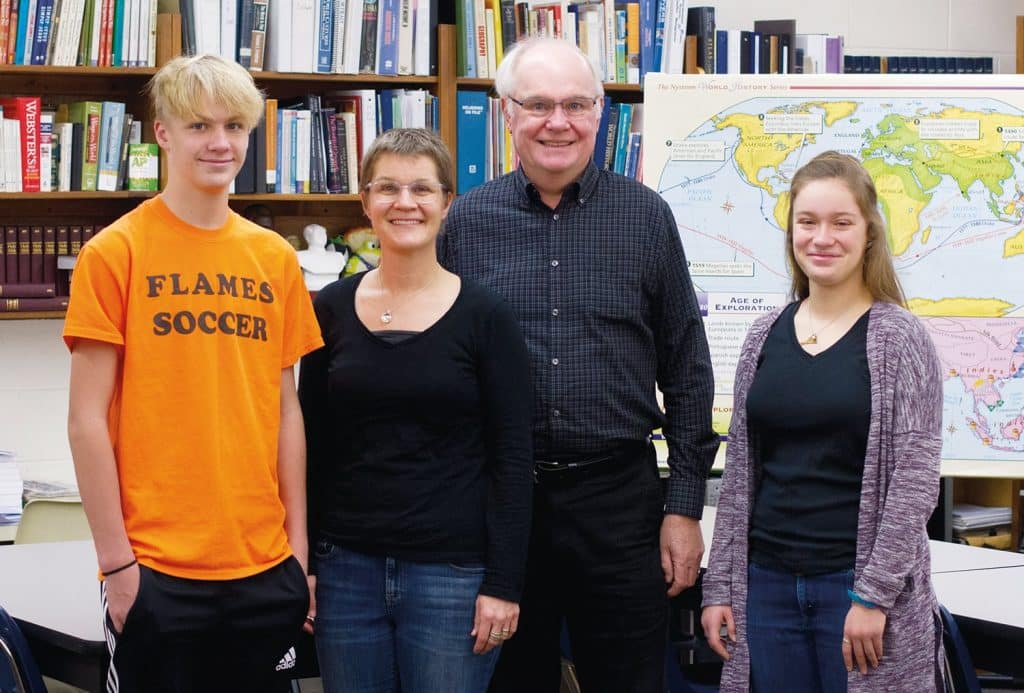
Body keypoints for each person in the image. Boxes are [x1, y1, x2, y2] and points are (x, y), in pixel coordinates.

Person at [439, 38, 719, 693]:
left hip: (620, 503)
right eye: (537, 104)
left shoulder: (646, 217)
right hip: (504, 508)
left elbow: (687, 370)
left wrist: (682, 508)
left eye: (575, 104)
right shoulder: (467, 224)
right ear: (507, 113)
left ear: (601, 113)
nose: (556, 121)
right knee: (512, 682)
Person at [64, 53, 323, 692]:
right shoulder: (114, 253)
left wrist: (299, 553)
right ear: (163, 133)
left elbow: (285, 410)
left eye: (234, 126)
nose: (219, 142)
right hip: (155, 569)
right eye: (199, 126)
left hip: (263, 568)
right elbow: (85, 422)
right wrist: (116, 565)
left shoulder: (274, 258)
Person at [298, 128, 533, 693]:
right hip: (344, 570)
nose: (405, 203)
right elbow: (307, 445)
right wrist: (302, 563)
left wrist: (504, 584)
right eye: (388, 188)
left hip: (452, 576)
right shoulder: (326, 310)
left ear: (447, 202)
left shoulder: (486, 316)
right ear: (365, 201)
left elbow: (512, 458)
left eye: (422, 190)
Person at [701, 151, 944, 692]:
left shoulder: (900, 339)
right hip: (766, 588)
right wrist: (720, 585)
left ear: (868, 233)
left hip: (854, 590)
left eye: (841, 222)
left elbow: (915, 480)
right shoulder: (763, 335)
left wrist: (873, 596)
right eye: (807, 222)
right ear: (791, 231)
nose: (822, 238)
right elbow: (739, 473)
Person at [297, 223, 346, 290]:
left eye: (323, 234)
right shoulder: (299, 256)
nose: (322, 236)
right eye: (319, 234)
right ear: (308, 237)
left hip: (333, 292)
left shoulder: (338, 256)